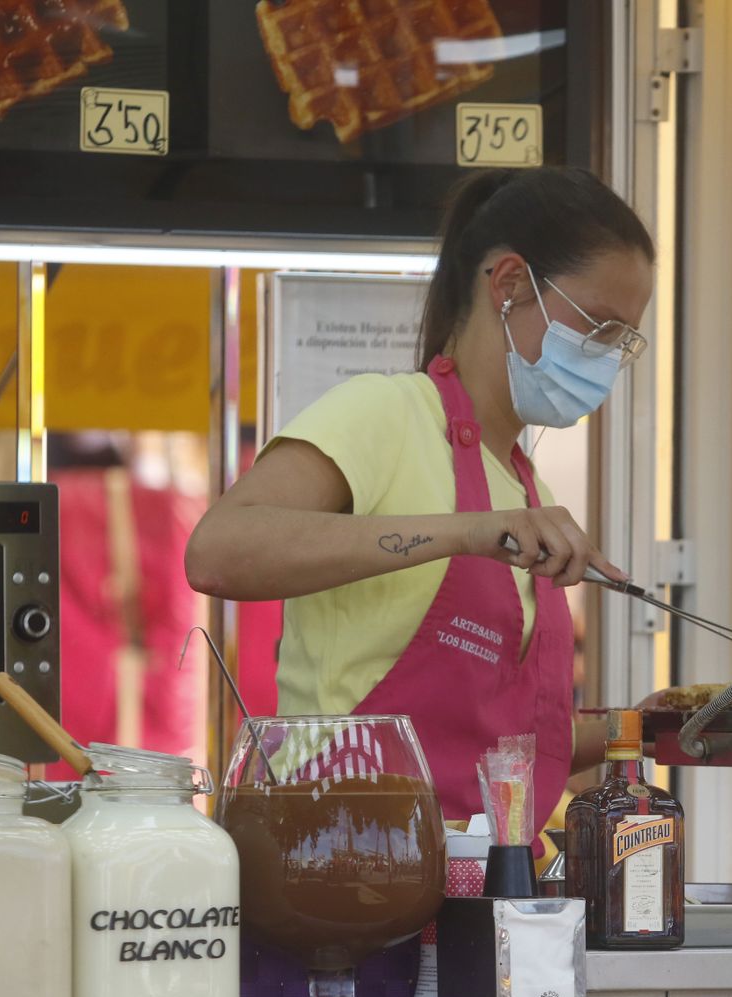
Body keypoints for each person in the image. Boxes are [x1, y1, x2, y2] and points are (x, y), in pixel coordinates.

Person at [185, 166, 655, 825]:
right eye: (598, 327)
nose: (607, 358)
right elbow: (217, 552)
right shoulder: (386, 415)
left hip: (470, 881)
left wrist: (657, 727)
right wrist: (465, 532)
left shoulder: (527, 487)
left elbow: (496, 740)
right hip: (338, 859)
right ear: (511, 283)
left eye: (623, 342)